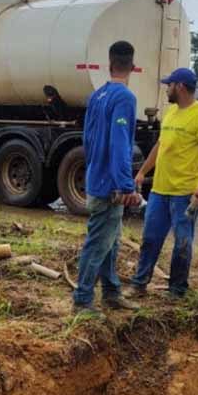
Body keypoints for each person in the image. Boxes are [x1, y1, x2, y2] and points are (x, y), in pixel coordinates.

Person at [129, 67, 198, 300]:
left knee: (182, 242)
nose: (166, 88)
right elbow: (160, 146)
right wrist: (142, 172)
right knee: (150, 238)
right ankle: (139, 283)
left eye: (169, 85)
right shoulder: (171, 113)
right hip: (160, 189)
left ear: (179, 86)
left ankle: (177, 290)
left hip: (184, 192)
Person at [72, 41, 143, 315]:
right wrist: (125, 185)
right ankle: (82, 300)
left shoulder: (97, 95)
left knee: (111, 241)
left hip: (96, 177)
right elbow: (120, 142)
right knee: (98, 242)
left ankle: (111, 292)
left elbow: (87, 140)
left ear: (109, 64)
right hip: (109, 186)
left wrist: (94, 169)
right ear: (133, 67)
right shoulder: (125, 98)